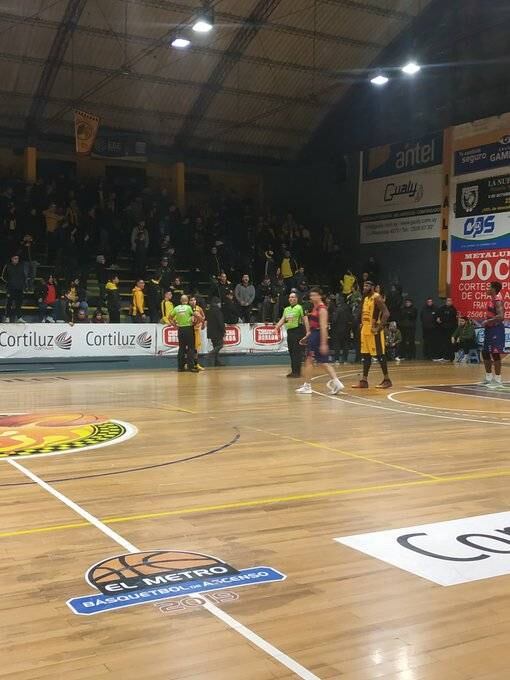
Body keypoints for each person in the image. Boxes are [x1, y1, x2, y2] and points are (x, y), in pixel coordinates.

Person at [295, 287, 343, 395]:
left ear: (319, 296)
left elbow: (323, 327)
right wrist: (307, 337)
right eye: (311, 295)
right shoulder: (315, 307)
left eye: (314, 295)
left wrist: (323, 343)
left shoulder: (322, 309)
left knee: (309, 361)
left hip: (318, 336)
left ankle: (307, 386)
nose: (312, 297)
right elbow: (313, 326)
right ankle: (337, 383)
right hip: (314, 335)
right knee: (323, 362)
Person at [352, 280, 392, 389]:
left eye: (367, 285)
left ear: (373, 287)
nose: (365, 287)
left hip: (374, 331)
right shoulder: (365, 298)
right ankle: (364, 381)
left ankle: (387, 380)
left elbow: (386, 313)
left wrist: (379, 327)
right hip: (365, 330)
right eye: (364, 285)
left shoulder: (377, 297)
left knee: (380, 355)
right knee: (366, 356)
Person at [480, 281, 506, 388]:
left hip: (496, 329)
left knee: (495, 353)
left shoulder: (498, 301)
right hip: (489, 329)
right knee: (485, 352)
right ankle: (488, 378)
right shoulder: (491, 299)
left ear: (494, 289)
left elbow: (501, 316)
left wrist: (488, 321)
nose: (487, 289)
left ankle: (498, 379)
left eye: (489, 287)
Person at [275, 291, 306, 378]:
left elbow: (305, 319)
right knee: (291, 351)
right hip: (290, 332)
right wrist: (276, 327)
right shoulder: (286, 309)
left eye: (293, 297)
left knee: (297, 352)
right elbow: (283, 319)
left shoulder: (300, 307)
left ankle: (297, 372)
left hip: (298, 331)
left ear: (297, 299)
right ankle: (293, 371)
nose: (291, 299)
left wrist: (307, 332)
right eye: (290, 297)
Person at [170, 294, 197, 372]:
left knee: (181, 348)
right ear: (187, 301)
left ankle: (180, 367)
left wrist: (175, 325)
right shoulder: (188, 308)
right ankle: (190, 366)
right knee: (191, 348)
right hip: (188, 328)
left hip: (180, 329)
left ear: (180, 301)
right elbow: (194, 316)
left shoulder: (176, 308)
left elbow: (169, 318)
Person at [2, 254, 25, 323]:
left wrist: (22, 284)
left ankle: (19, 317)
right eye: (15, 258)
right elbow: (3, 276)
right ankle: (7, 317)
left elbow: (23, 276)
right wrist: (10, 282)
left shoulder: (21, 266)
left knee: (19, 304)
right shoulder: (7, 266)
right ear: (12, 259)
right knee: (9, 303)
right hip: (11, 288)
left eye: (17, 258)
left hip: (19, 288)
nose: (16, 260)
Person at [331, 296, 353, 364]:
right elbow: (351, 318)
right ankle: (345, 360)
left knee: (337, 345)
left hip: (337, 329)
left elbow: (334, 320)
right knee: (346, 345)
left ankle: (337, 359)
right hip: (346, 329)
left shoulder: (337, 309)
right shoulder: (348, 309)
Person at [435, 297, 458, 362]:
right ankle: (443, 357)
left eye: (450, 301)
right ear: (446, 301)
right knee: (442, 343)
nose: (449, 302)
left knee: (449, 343)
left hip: (450, 329)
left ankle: (449, 357)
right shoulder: (441, 308)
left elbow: (451, 319)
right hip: (442, 329)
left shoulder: (453, 309)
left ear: (452, 302)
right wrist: (438, 318)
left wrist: (442, 319)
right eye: (448, 300)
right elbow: (437, 316)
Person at [206, 297, 226, 367]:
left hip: (211, 331)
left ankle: (216, 362)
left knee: (215, 346)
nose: (220, 305)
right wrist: (223, 330)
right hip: (217, 332)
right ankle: (210, 354)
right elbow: (220, 322)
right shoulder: (217, 311)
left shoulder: (209, 310)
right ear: (217, 303)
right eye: (219, 303)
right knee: (221, 345)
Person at [190, 295, 206, 371]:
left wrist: (201, 322)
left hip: (196, 330)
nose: (193, 302)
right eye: (191, 300)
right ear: (189, 302)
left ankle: (196, 364)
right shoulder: (187, 308)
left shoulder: (199, 308)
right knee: (189, 348)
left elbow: (203, 317)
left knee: (196, 348)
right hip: (189, 330)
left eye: (194, 300)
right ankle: (188, 363)